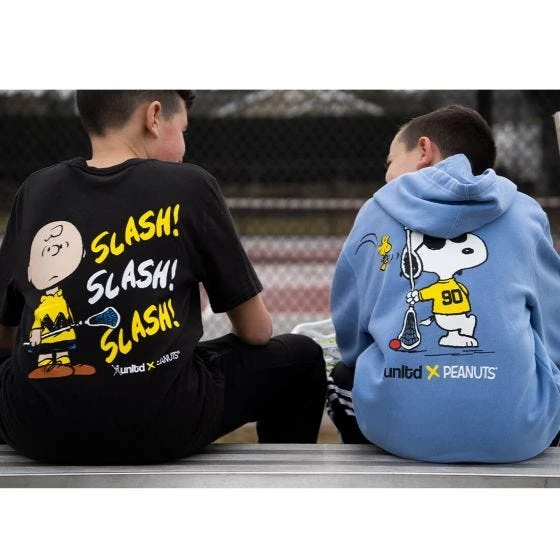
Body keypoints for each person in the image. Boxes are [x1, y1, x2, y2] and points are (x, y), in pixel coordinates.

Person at [0, 90, 326, 464]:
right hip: (165, 424)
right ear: (153, 117)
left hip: (34, 427)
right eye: (183, 130)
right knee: (301, 359)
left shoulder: (35, 189)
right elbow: (256, 332)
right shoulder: (191, 186)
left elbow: (4, 335)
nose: (184, 148)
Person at [328, 104, 560, 463]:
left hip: (398, 433)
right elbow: (552, 324)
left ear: (424, 150)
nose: (387, 176)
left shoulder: (376, 212)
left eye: (391, 161)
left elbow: (350, 330)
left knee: (342, 376)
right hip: (520, 436)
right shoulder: (525, 212)